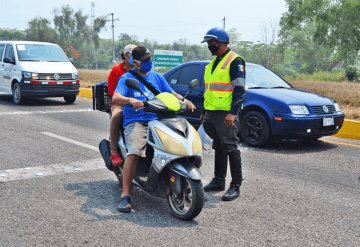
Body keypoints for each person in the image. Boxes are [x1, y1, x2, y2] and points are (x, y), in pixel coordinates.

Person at [112, 46, 196, 213]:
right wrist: (130, 100)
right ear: (135, 62)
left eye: (150, 59)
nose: (149, 62)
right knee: (134, 152)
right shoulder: (126, 78)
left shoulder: (157, 77)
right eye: (145, 60)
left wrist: (185, 101)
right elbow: (116, 97)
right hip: (137, 121)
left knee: (174, 145)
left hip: (159, 118)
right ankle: (126, 195)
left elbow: (171, 93)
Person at [200, 27, 246, 201]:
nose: (209, 46)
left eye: (211, 42)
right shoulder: (211, 64)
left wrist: (233, 113)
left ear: (221, 42)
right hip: (212, 112)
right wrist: (204, 111)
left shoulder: (235, 61)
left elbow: (239, 89)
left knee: (230, 146)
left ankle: (235, 185)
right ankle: (219, 181)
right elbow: (208, 90)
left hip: (226, 113)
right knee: (219, 146)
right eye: (208, 43)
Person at [107, 44, 137, 167]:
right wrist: (126, 100)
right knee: (117, 116)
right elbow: (112, 92)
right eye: (131, 55)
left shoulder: (139, 69)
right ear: (125, 56)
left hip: (136, 102)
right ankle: (114, 150)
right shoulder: (116, 70)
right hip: (119, 103)